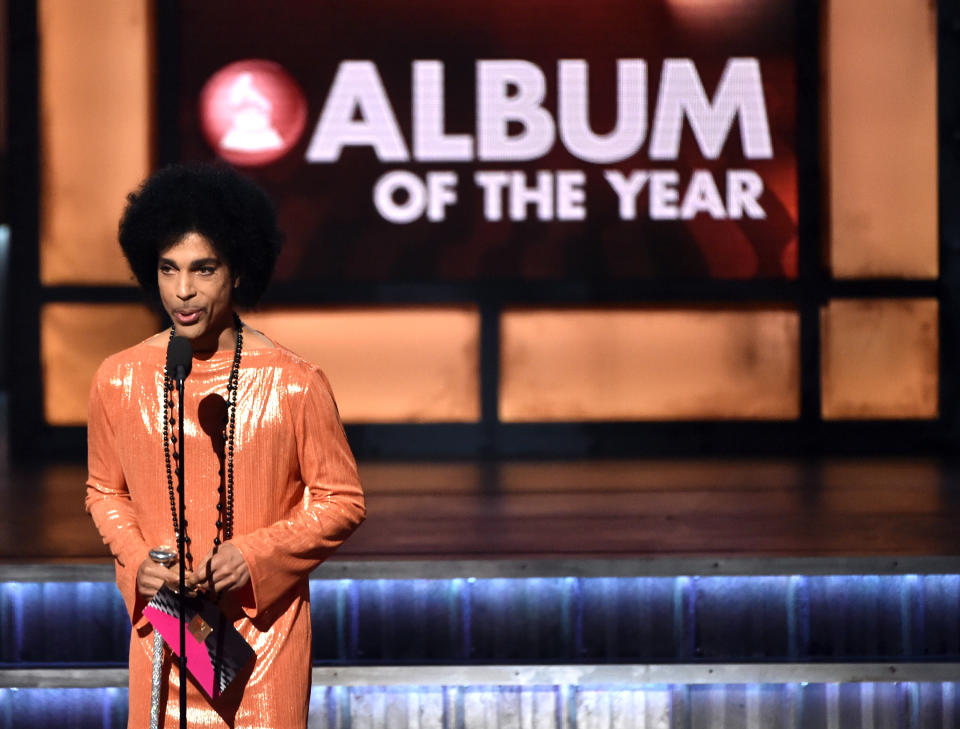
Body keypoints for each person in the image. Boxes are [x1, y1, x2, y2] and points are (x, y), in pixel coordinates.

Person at [84, 163, 366, 728]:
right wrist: (139, 561)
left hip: (262, 644)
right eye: (168, 270)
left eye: (203, 270)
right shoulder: (118, 379)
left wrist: (255, 555)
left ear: (238, 271)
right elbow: (103, 491)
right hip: (164, 637)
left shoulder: (294, 383)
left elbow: (341, 500)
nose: (183, 291)